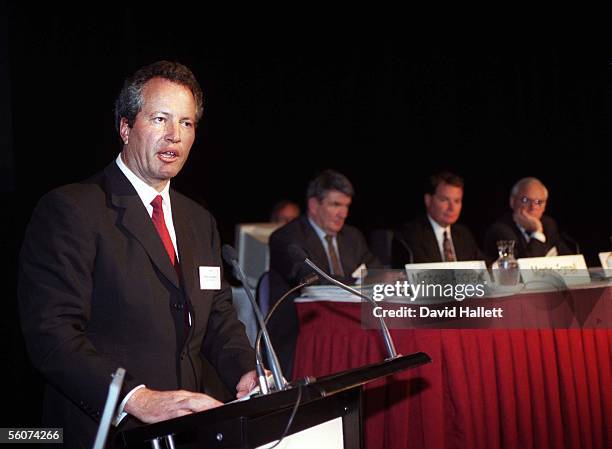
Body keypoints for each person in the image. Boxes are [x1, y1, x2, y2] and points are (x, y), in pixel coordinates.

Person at [18, 61, 256, 448]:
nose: (174, 136)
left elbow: (218, 317)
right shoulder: (72, 209)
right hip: (105, 434)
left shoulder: (200, 221)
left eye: (186, 123)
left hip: (184, 433)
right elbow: (52, 335)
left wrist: (246, 372)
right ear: (126, 128)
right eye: (161, 119)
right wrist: (135, 398)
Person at [267, 169, 381, 377]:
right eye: (336, 205)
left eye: (346, 206)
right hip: (301, 336)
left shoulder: (352, 237)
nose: (343, 214)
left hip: (351, 331)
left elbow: (377, 272)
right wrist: (356, 281)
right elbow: (313, 280)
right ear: (313, 205)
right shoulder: (286, 238)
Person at [392, 172, 484, 267]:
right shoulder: (410, 234)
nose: (452, 208)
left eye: (457, 201)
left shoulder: (464, 234)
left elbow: (483, 267)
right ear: (428, 200)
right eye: (445, 200)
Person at [484, 177, 571, 262]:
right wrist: (537, 233)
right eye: (526, 200)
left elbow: (569, 261)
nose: (533, 207)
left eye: (538, 202)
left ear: (545, 206)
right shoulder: (500, 230)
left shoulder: (549, 224)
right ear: (512, 202)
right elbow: (525, 270)